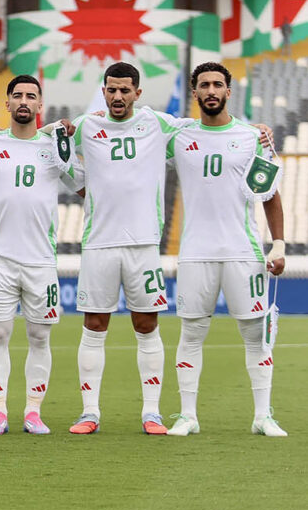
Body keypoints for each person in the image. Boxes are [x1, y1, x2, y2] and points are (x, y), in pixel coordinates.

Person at [166, 62, 287, 437]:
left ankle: (263, 415)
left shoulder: (252, 138)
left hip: (243, 251)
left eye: (218, 84)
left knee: (256, 336)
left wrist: (278, 243)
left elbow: (269, 193)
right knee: (191, 334)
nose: (212, 90)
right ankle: (188, 415)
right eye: (205, 85)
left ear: (229, 92)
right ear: (195, 92)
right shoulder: (179, 136)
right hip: (195, 253)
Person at [68, 62, 189, 435]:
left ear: (138, 92)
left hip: (143, 244)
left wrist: (257, 130)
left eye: (125, 90)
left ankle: (151, 413)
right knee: (94, 325)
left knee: (146, 325)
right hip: (99, 244)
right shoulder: (85, 126)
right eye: (111, 89)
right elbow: (46, 149)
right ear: (103, 91)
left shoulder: (158, 123)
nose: (117, 96)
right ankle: (90, 413)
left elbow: (207, 130)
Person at [0, 75, 83, 435]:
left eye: (31, 96)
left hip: (42, 261)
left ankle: (33, 411)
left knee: (39, 336)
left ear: (39, 106)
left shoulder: (54, 146)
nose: (23, 101)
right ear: (7, 103)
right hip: (0, 257)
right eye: (17, 95)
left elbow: (82, 187)